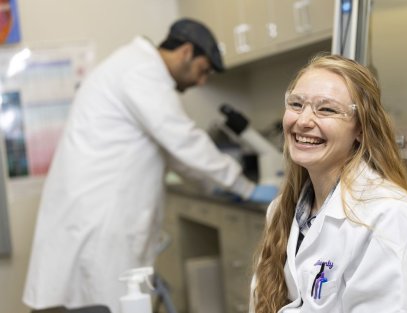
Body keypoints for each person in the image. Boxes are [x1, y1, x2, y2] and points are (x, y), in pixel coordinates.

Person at [23, 18, 276, 313]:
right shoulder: (140, 71)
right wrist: (245, 187)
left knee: (105, 301)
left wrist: (214, 186)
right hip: (101, 220)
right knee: (105, 302)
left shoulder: (138, 71)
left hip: (100, 216)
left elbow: (173, 153)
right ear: (185, 52)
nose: (202, 81)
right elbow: (184, 140)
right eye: (203, 70)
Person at [250, 54, 407, 312]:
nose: (303, 120)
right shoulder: (283, 210)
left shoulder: (390, 219)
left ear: (361, 129)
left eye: (327, 109)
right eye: (296, 104)